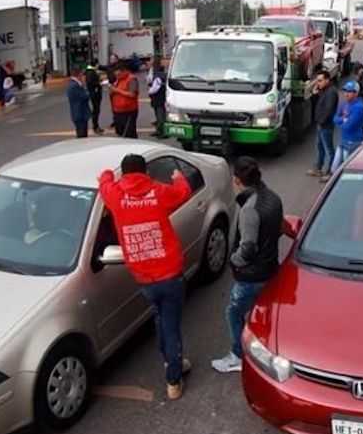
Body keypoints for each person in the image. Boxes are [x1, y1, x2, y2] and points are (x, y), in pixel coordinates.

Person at [98, 154, 194, 399]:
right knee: (171, 324)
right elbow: (183, 193)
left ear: (125, 174)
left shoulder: (117, 196)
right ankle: (173, 378)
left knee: (161, 317)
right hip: (170, 273)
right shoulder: (157, 192)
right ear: (146, 173)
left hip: (143, 278)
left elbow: (104, 182)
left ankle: (168, 360)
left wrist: (109, 174)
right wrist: (179, 177)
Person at [211, 157, 283, 374]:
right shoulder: (272, 197)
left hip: (252, 275)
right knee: (261, 313)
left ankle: (237, 355)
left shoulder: (249, 209)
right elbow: (278, 230)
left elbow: (248, 247)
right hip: (270, 268)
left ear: (236, 180)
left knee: (233, 313)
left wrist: (233, 260)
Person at [308, 69, 337, 182]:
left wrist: (322, 122)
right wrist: (315, 94)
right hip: (321, 124)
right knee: (319, 147)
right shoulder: (324, 90)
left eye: (320, 81)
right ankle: (318, 168)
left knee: (328, 149)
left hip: (326, 125)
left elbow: (329, 110)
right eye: (317, 81)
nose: (318, 83)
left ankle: (330, 171)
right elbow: (318, 104)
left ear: (327, 80)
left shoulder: (331, 92)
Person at [331, 80, 363, 171]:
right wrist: (343, 119)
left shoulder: (359, 107)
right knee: (334, 168)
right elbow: (335, 118)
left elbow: (348, 125)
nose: (346, 94)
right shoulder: (344, 104)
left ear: (356, 93)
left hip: (353, 142)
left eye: (349, 92)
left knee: (347, 168)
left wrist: (342, 121)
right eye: (345, 91)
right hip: (343, 140)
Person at [108, 61, 140, 138]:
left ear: (124, 71)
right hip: (117, 111)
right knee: (120, 132)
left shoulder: (131, 80)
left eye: (118, 75)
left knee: (129, 133)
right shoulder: (118, 80)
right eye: (116, 75)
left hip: (128, 111)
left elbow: (132, 94)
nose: (117, 77)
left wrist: (116, 90)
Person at [66, 66, 91, 138]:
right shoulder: (75, 86)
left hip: (78, 114)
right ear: (79, 75)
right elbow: (84, 97)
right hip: (80, 114)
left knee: (81, 132)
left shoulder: (73, 84)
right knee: (82, 134)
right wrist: (87, 92)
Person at [147, 56, 168, 138]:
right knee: (157, 112)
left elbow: (156, 86)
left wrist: (150, 90)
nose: (149, 61)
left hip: (158, 95)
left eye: (151, 59)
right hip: (156, 95)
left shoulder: (158, 71)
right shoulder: (152, 70)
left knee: (160, 113)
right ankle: (158, 129)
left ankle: (162, 132)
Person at [84, 62, 104, 134]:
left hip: (95, 92)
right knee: (96, 110)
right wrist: (99, 84)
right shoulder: (90, 72)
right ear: (95, 65)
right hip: (95, 93)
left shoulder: (90, 71)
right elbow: (91, 82)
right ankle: (95, 126)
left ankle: (96, 126)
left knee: (96, 110)